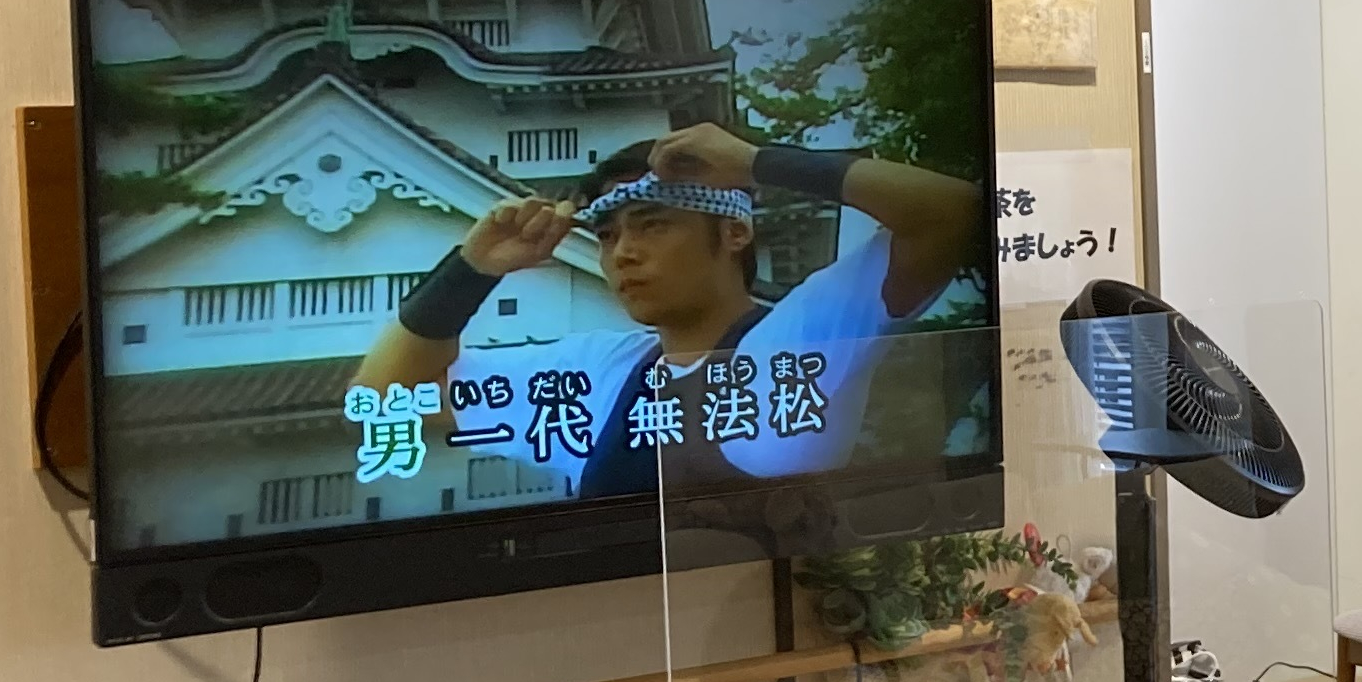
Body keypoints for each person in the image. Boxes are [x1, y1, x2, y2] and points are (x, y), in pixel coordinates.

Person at [348, 120, 981, 496]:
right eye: (607, 236)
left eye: (652, 225)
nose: (623, 253)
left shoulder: (796, 342)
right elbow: (381, 399)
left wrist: (755, 163)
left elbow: (953, 211)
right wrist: (472, 268)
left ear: (734, 232)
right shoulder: (600, 375)